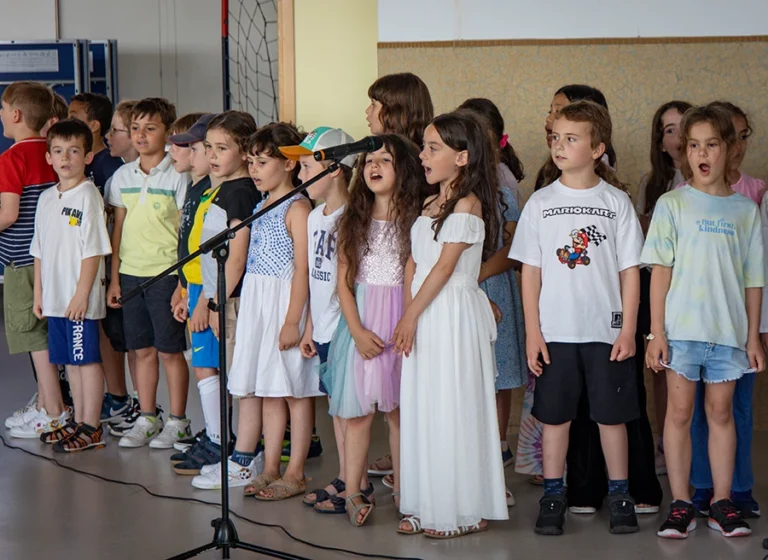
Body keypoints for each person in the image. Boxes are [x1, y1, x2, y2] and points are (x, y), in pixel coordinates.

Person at [511, 100, 644, 536]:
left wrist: (628, 328)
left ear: (598, 147)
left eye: (572, 138)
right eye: (556, 138)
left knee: (612, 417)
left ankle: (620, 493)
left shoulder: (617, 202)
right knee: (555, 419)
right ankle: (553, 495)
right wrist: (533, 332)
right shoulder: (541, 203)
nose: (560, 145)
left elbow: (629, 272)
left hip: (606, 333)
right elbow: (530, 273)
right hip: (555, 333)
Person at [644, 103, 764, 539]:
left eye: (711, 144)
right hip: (680, 334)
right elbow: (660, 272)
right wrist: (656, 333)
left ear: (729, 149)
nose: (701, 153)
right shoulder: (672, 205)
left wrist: (753, 337)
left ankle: (721, 502)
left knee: (721, 415)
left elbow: (754, 281)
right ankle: (680, 503)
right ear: (684, 152)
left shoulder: (745, 212)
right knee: (678, 414)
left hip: (727, 335)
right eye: (693, 145)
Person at [396, 111, 508, 538]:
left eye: (433, 148)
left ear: (462, 158)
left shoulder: (468, 205)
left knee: (453, 406)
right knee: (425, 406)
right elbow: (414, 262)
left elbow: (444, 269)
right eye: (424, 146)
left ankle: (464, 508)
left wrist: (410, 315)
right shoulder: (428, 205)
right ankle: (428, 501)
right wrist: (409, 310)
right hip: (425, 311)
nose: (422, 155)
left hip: (451, 314)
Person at [192, 123, 320, 498]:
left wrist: (293, 320)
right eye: (251, 162)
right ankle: (268, 468)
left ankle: (295, 471)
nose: (254, 170)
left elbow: (303, 269)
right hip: (258, 305)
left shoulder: (298, 207)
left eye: (263, 162)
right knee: (267, 390)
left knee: (294, 391)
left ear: (289, 164)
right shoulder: (261, 205)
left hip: (284, 306)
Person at [316, 134, 423, 525]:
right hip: (363, 323)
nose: (374, 166)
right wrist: (357, 331)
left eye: (385, 160)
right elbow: (343, 282)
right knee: (359, 412)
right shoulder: (353, 219)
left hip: (402, 321)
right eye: (368, 161)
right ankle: (354, 490)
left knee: (399, 413)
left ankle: (406, 490)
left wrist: (409, 319)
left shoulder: (417, 220)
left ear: (404, 169)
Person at [687, 101, 764, 519]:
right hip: (693, 323)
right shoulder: (681, 199)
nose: (727, 148)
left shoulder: (754, 194)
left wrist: (757, 330)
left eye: (737, 137)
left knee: (738, 408)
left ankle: (738, 486)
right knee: (698, 410)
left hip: (735, 325)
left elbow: (756, 273)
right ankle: (703, 486)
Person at [174, 111, 260, 477]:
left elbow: (235, 257)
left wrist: (213, 300)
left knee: (237, 377)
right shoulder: (219, 189)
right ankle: (226, 441)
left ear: (245, 153)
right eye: (208, 147)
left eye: (222, 148)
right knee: (223, 371)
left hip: (227, 299)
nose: (212, 155)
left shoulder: (240, 193)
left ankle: (237, 447)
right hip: (210, 293)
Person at [106, 97, 191, 449]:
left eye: (150, 128)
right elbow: (118, 229)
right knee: (140, 349)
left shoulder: (178, 175)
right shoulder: (122, 176)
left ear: (167, 133)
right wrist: (114, 277)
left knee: (170, 350)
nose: (141, 135)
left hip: (166, 276)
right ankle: (147, 417)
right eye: (135, 128)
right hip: (130, 274)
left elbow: (186, 233)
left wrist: (183, 283)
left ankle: (178, 420)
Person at [279, 127, 356, 510]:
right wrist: (309, 325)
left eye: (308, 165)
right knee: (336, 410)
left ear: (335, 169)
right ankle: (345, 477)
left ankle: (353, 483)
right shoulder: (313, 217)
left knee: (348, 410)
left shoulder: (351, 216)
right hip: (322, 328)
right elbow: (311, 275)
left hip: (346, 330)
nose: (300, 174)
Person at [364, 71, 434, 481]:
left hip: (414, 299)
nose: (367, 111)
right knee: (391, 396)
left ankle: (417, 470)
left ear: (395, 111)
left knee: (414, 390)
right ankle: (403, 461)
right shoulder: (373, 167)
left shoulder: (421, 173)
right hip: (376, 294)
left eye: (374, 104)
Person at [459, 97, 527, 507]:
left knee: (497, 374)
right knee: (467, 375)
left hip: (492, 283)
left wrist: (478, 274)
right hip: (458, 290)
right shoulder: (451, 186)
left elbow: (515, 244)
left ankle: (498, 446)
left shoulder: (503, 185)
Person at [30, 118, 112, 451]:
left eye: (74, 151)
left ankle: (91, 427)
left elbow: (93, 250)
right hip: (55, 298)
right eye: (59, 151)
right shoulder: (47, 199)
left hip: (79, 298)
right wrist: (39, 292)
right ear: (48, 157)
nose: (66, 158)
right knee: (69, 363)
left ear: (88, 157)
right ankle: (78, 421)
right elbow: (38, 250)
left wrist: (81, 295)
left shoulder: (88, 196)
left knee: (86, 360)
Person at [0, 81, 69, 439]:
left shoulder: (12, 158)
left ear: (15, 114)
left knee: (34, 338)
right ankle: (45, 404)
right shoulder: (52, 152)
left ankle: (53, 410)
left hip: (24, 263)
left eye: (2, 108)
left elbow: (8, 214)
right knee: (44, 335)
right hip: (54, 260)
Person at [635, 100, 693, 478]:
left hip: (695, 285)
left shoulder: (707, 184)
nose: (675, 136)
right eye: (668, 129)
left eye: (681, 128)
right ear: (660, 141)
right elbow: (642, 239)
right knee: (662, 363)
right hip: (657, 280)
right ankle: (662, 440)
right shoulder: (652, 184)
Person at [99, 98, 142, 437]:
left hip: (150, 271)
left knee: (148, 346)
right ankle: (135, 404)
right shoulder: (117, 177)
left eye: (116, 130)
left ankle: (148, 406)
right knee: (127, 341)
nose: (109, 136)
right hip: (124, 271)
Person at [68, 93, 124, 196]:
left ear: (94, 126)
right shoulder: (70, 160)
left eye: (73, 118)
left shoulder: (110, 164)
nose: (67, 123)